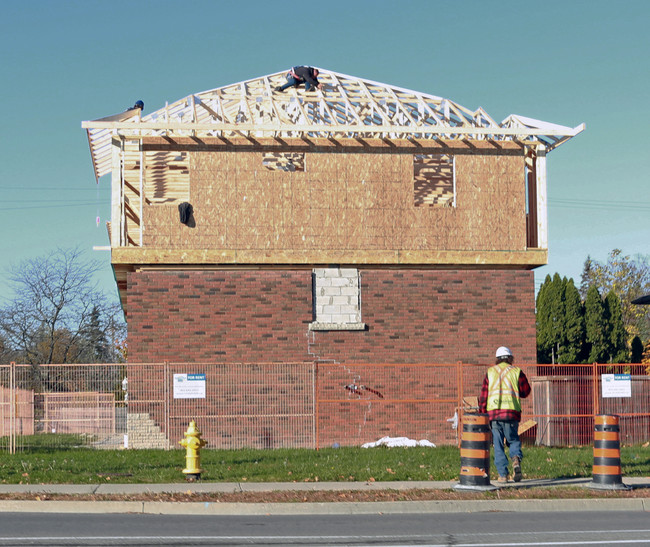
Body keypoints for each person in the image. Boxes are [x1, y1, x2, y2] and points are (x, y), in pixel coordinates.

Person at [478, 346, 531, 483]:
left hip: (494, 415)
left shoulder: (490, 372)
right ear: (510, 358)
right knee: (513, 439)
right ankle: (516, 460)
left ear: (497, 359)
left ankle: (502, 475)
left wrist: (482, 413)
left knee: (498, 443)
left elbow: (484, 395)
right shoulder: (516, 372)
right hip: (511, 413)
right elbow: (526, 391)